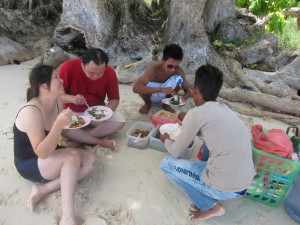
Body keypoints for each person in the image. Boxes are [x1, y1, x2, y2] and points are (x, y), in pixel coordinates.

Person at [159, 64, 256, 221]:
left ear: (195, 90)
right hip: (244, 183)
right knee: (208, 148)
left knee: (166, 164)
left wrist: (166, 140)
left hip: (225, 187)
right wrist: (188, 118)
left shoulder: (195, 114)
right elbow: (209, 130)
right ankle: (209, 185)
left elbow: (176, 151)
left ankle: (210, 205)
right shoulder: (225, 109)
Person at [13, 65, 97, 225]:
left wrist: (70, 117)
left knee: (91, 160)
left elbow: (59, 128)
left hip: (50, 151)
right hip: (30, 162)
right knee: (72, 157)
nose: (62, 80)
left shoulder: (57, 99)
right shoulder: (31, 111)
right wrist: (59, 124)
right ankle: (68, 215)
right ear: (43, 86)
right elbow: (42, 153)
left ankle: (43, 189)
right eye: (56, 77)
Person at [58, 48, 125, 149]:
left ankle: (81, 138)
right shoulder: (68, 67)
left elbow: (114, 99)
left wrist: (105, 113)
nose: (96, 76)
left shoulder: (110, 72)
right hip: (71, 111)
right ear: (82, 64)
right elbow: (58, 95)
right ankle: (85, 137)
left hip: (94, 113)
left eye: (100, 73)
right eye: (91, 72)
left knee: (119, 121)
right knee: (58, 125)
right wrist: (72, 99)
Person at [133, 44, 192, 114]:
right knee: (143, 86)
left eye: (176, 66)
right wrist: (160, 90)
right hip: (151, 94)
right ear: (163, 60)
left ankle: (166, 104)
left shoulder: (178, 71)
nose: (173, 70)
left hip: (167, 96)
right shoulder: (153, 69)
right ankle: (148, 104)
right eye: (170, 66)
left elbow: (187, 91)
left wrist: (183, 99)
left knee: (178, 82)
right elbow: (136, 88)